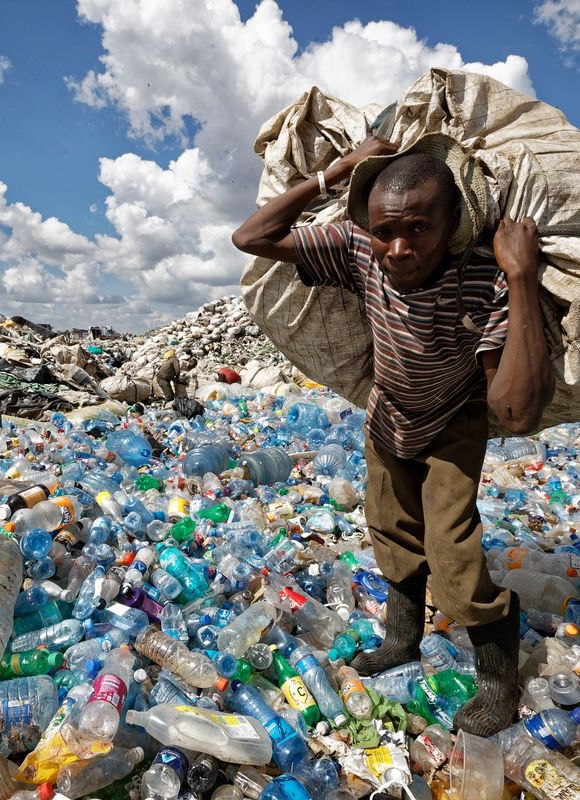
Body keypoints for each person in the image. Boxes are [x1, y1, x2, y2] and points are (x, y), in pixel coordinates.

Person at [231, 134, 554, 736]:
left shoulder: (483, 279)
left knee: (453, 553)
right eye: (385, 231)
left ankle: (497, 681)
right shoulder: (359, 251)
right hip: (388, 418)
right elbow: (251, 238)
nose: (399, 249)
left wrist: (522, 277)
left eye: (418, 229)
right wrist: (337, 173)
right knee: (390, 531)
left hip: (454, 422)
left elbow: (514, 413)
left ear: (452, 221)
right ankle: (401, 642)